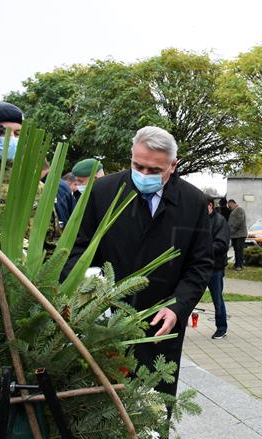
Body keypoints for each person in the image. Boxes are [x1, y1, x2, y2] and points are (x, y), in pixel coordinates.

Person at [65, 126, 213, 411]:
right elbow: (75, 251)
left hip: (159, 323)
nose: (143, 175)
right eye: (137, 166)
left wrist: (178, 307)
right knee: (97, 410)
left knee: (152, 411)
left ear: (173, 164)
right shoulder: (102, 192)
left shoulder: (193, 202)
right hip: (103, 321)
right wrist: (92, 294)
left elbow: (200, 263)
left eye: (154, 170)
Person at [206, 196, 230, 339]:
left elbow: (222, 245)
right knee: (190, 296)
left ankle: (221, 327)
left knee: (217, 298)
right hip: (199, 266)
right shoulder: (200, 220)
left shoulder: (220, 221)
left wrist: (203, 248)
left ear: (210, 206)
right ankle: (179, 323)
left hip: (215, 267)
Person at [228, 198, 247, 270]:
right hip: (235, 235)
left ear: (233, 203)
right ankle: (237, 264)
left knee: (239, 250)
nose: (229, 207)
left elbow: (239, 221)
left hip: (240, 234)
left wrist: (232, 229)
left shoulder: (239, 209)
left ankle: (240, 265)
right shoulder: (234, 210)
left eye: (230, 205)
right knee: (236, 250)